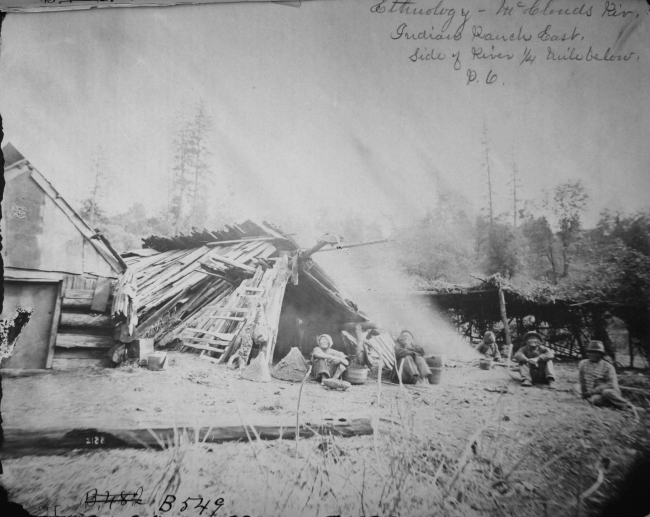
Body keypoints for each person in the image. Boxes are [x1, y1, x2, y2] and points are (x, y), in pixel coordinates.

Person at [579, 340, 629, 410]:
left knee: (606, 392)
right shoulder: (583, 364)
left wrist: (590, 392)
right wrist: (584, 393)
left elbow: (610, 384)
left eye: (594, 352)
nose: (591, 354)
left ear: (601, 354)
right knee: (594, 400)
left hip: (611, 392)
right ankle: (616, 404)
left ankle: (627, 405)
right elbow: (582, 380)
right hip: (596, 394)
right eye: (590, 352)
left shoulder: (608, 367)